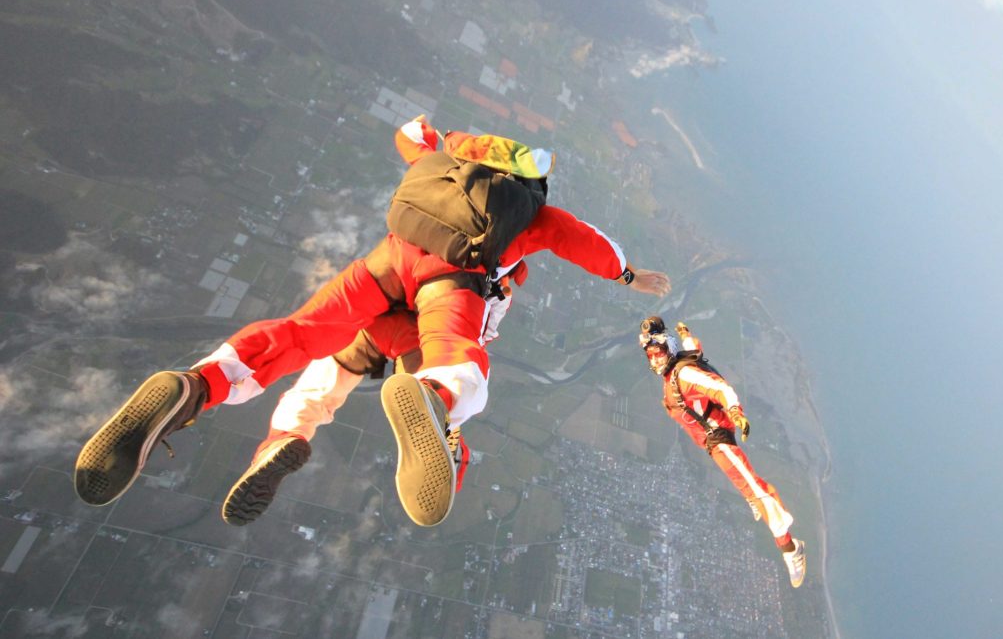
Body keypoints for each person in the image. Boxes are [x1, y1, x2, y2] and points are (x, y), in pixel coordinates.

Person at [74, 117, 671, 529]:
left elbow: (410, 135)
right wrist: (628, 276)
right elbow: (584, 242)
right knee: (452, 370)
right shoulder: (532, 218)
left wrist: (425, 131)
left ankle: (203, 389)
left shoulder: (440, 162)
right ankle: (436, 408)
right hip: (439, 302)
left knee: (305, 342)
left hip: (384, 271)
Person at [221, 273, 521, 526]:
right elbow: (481, 330)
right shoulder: (497, 271)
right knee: (459, 384)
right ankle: (439, 413)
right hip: (427, 341)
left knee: (319, 385)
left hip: (376, 325)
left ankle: (284, 435)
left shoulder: (438, 239)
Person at [638, 317, 807, 587]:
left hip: (718, 437)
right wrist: (686, 334)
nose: (655, 361)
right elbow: (696, 349)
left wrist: (736, 413)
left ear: (667, 349)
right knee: (748, 486)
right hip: (714, 439)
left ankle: (790, 548)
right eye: (650, 356)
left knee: (756, 490)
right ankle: (755, 502)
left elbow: (720, 389)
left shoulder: (683, 375)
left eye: (657, 354)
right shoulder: (680, 365)